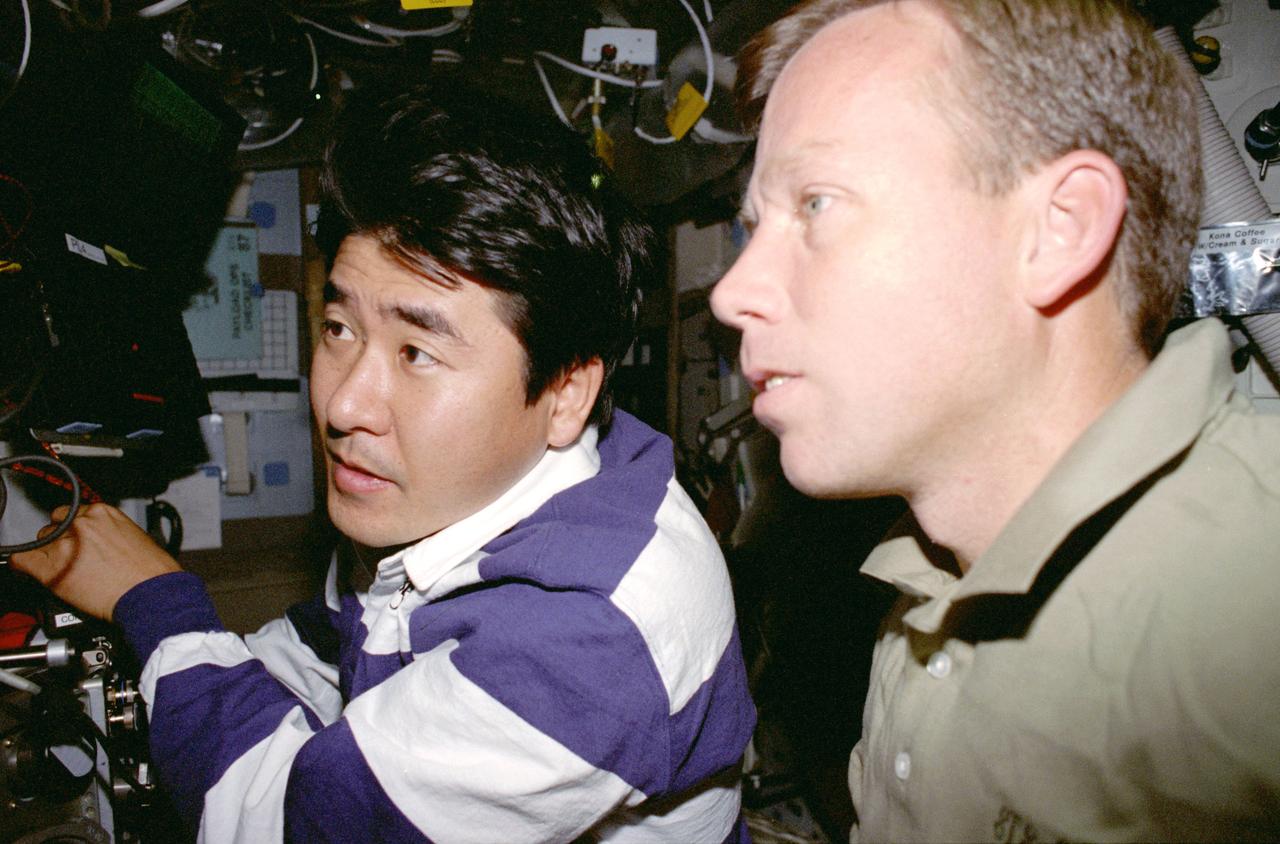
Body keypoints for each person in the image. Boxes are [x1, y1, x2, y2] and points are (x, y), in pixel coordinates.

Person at [13, 86, 755, 842]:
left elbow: (280, 831)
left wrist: (160, 607)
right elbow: (339, 639)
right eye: (340, 327)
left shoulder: (589, 636)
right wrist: (220, 668)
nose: (344, 406)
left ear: (566, 394)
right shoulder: (454, 486)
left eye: (417, 353)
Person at [710, 0, 1280, 840]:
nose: (732, 293)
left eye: (818, 204)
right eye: (756, 228)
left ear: (1060, 229)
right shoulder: (931, 583)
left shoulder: (1253, 607)